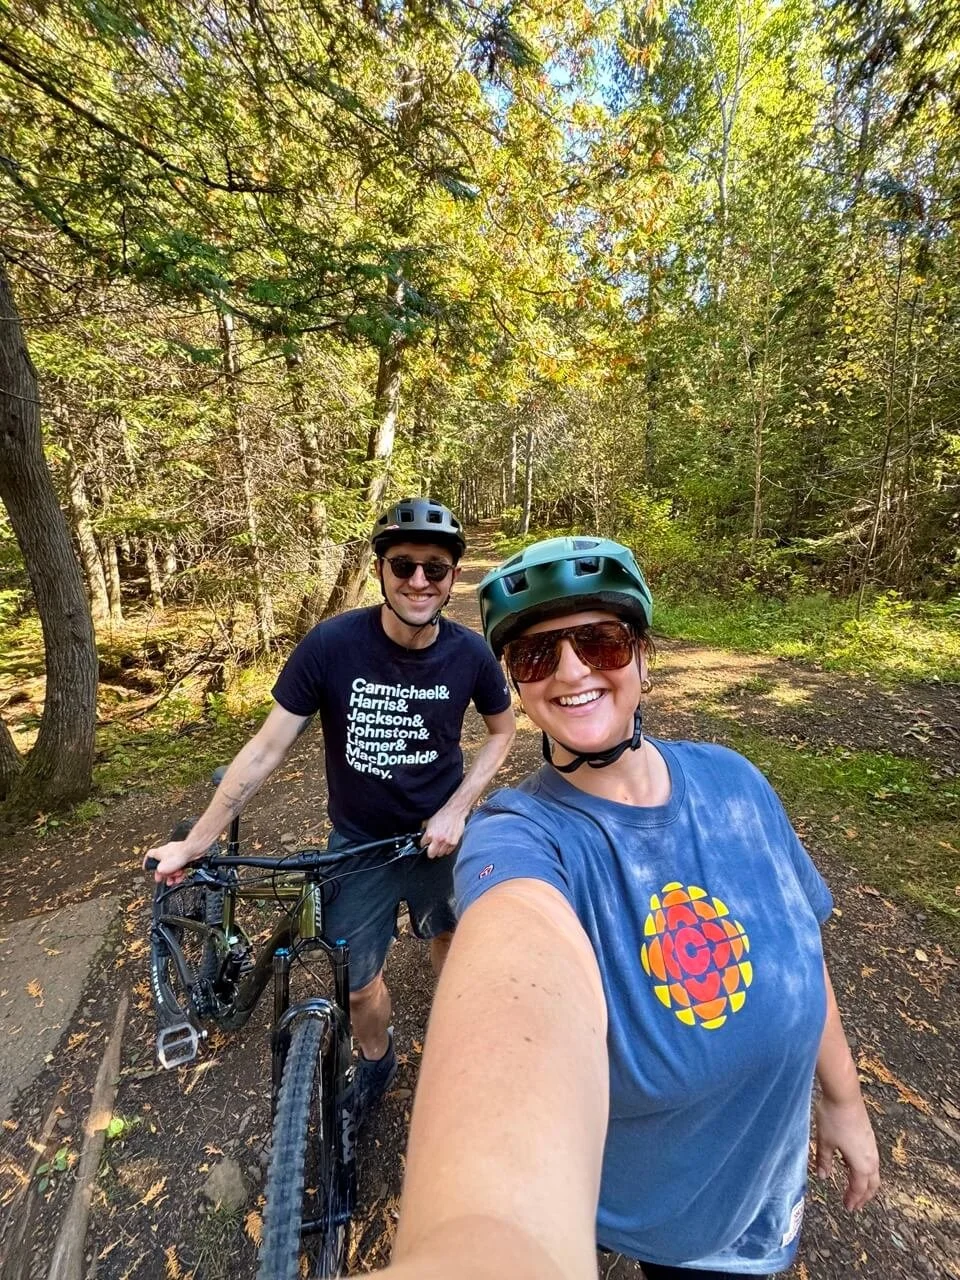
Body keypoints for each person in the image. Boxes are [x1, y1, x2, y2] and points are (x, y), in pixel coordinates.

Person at [381, 536, 880, 1280]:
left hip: (773, 1193)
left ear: (644, 657)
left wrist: (843, 1100)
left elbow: (802, 951)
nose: (571, 671)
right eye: (536, 655)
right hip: (681, 1237)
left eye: (601, 642)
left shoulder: (736, 783)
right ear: (517, 683)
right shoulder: (520, 838)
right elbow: (512, 983)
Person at [146, 498, 515, 1123]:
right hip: (358, 844)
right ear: (380, 570)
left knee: (453, 941)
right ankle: (377, 1060)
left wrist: (458, 808)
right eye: (403, 565)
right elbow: (266, 748)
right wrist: (197, 842)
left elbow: (503, 733)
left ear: (454, 577)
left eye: (434, 568)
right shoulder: (331, 645)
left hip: (439, 841)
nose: (419, 581)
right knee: (358, 984)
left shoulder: (470, 654)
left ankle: (460, 1045)